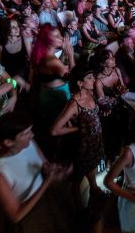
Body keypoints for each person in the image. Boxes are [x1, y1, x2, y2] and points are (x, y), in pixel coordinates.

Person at [0, 111, 72, 229]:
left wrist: (57, 169)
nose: (32, 135)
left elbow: (44, 164)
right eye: (25, 133)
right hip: (28, 215)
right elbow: (16, 216)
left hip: (46, 201)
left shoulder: (29, 144)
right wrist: (47, 182)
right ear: (8, 142)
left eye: (30, 130)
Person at [50, 65, 106, 199]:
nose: (94, 80)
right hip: (82, 146)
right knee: (77, 178)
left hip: (95, 141)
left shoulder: (89, 93)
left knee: (92, 165)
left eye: (93, 77)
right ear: (80, 83)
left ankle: (94, 187)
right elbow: (54, 130)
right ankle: (78, 207)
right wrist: (77, 128)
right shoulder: (74, 104)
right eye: (90, 78)